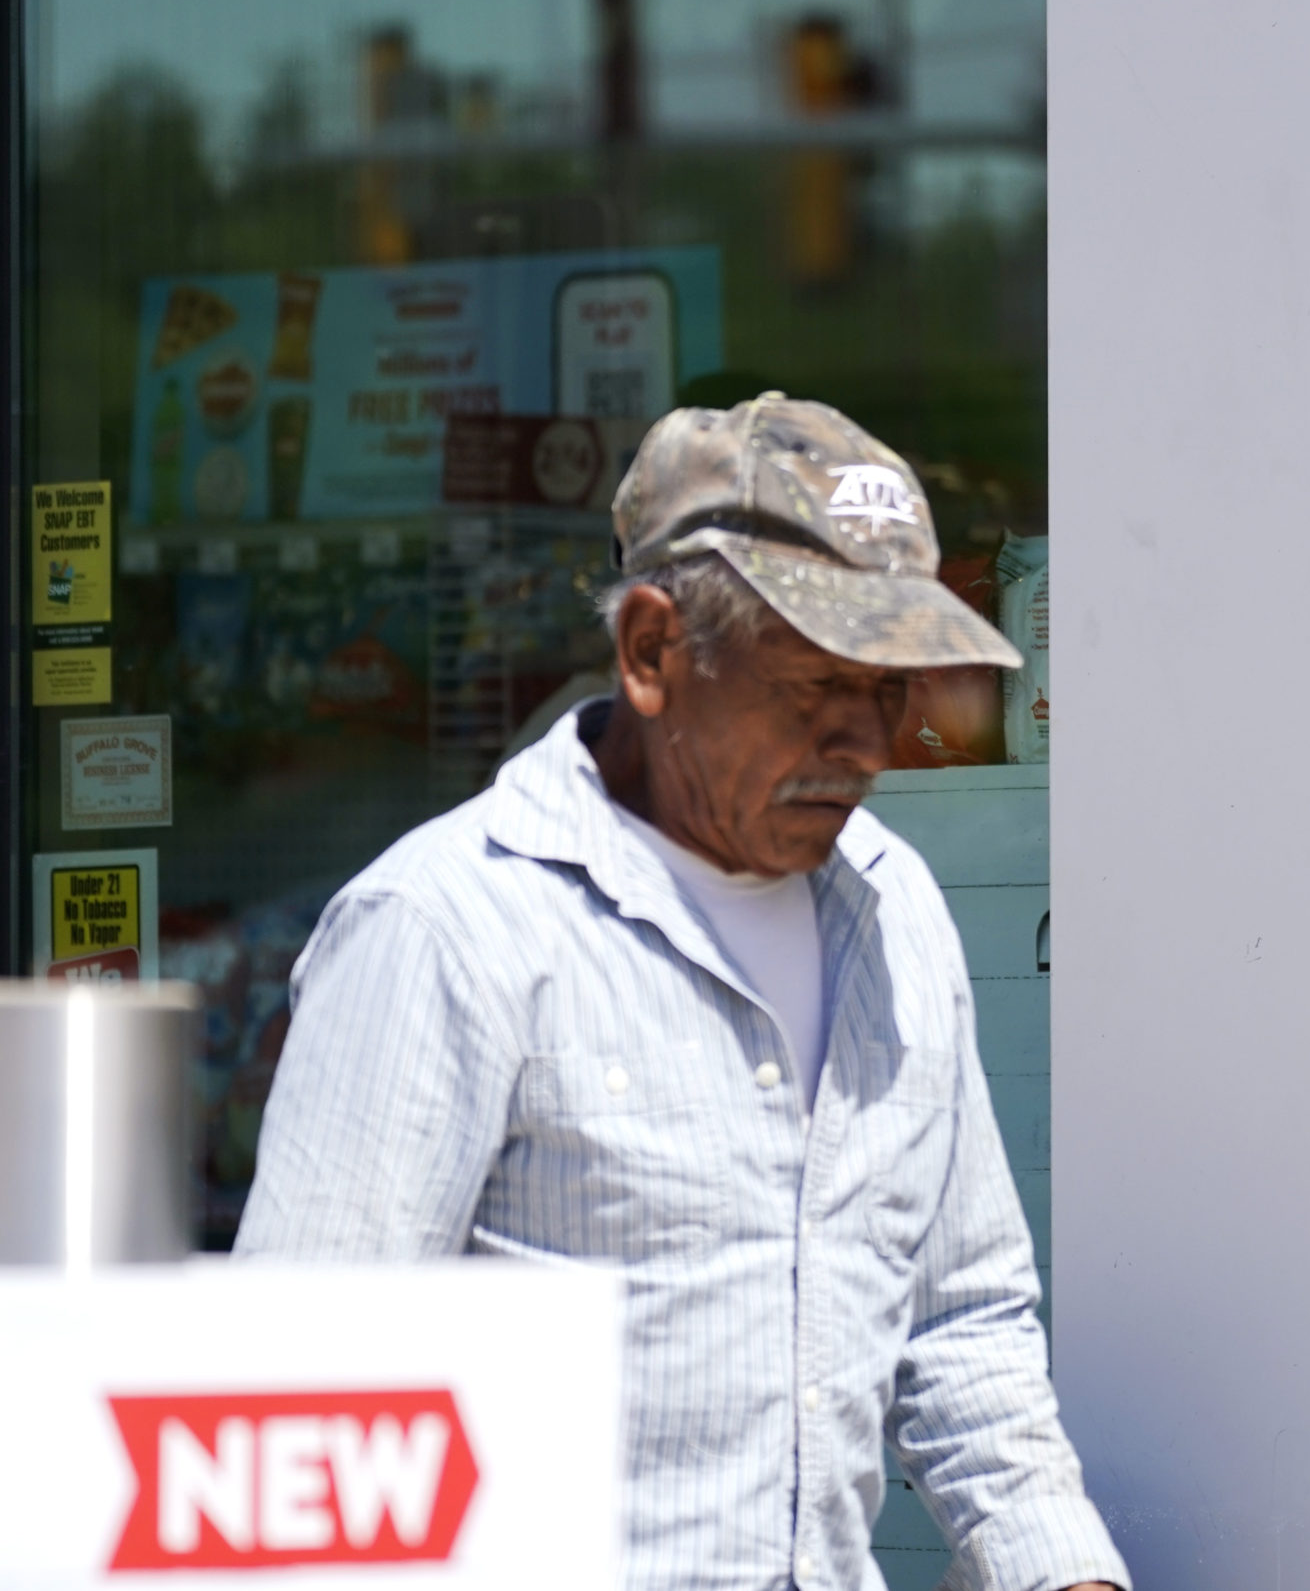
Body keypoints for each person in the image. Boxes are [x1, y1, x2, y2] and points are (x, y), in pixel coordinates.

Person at [237, 395, 1127, 1591]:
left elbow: (959, 1323)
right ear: (654, 652)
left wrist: (1066, 1575)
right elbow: (297, 1408)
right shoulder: (448, 933)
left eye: (891, 687)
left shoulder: (892, 906)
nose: (866, 739)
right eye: (815, 683)